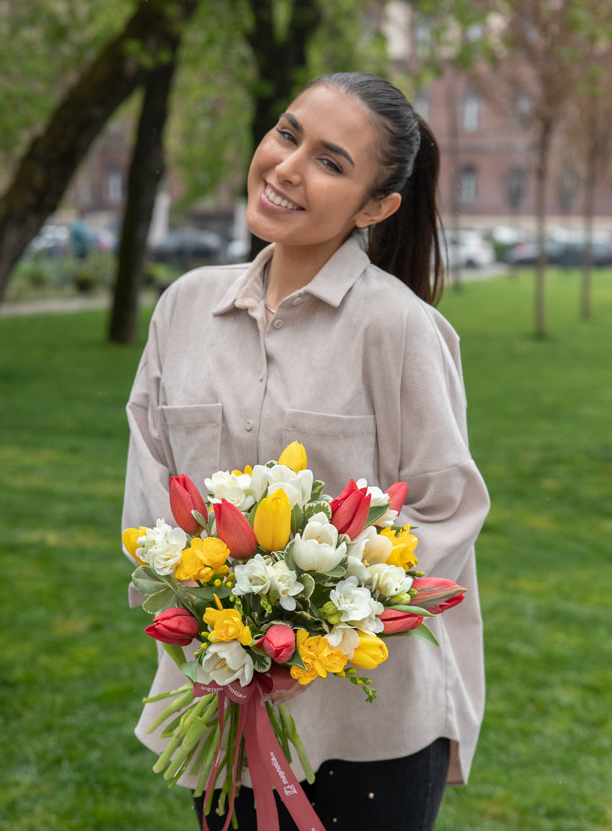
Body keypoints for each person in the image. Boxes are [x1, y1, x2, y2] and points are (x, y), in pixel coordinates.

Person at [122, 72, 490, 831]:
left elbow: (444, 508)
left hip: (369, 728)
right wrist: (203, 616)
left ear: (376, 206)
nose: (288, 168)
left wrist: (313, 632)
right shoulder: (184, 307)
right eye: (287, 135)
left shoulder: (399, 329)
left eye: (330, 161)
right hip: (220, 696)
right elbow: (153, 482)